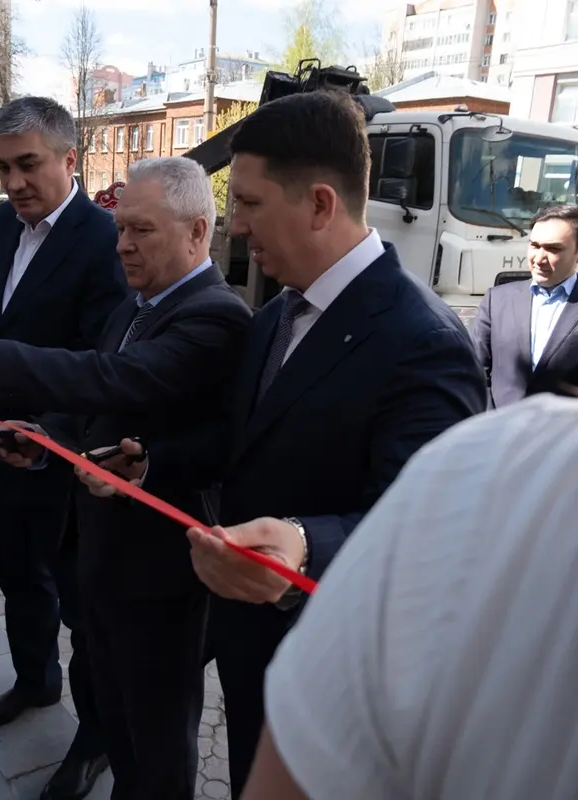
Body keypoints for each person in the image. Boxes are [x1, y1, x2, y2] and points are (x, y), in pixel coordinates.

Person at [78, 89, 487, 797]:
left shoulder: (422, 343)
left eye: (249, 204)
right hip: (252, 646)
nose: (234, 227)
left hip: (336, 662)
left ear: (321, 205)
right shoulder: (274, 316)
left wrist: (303, 543)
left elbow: (431, 535)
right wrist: (154, 462)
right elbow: (248, 444)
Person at [0, 157, 252, 800]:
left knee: (157, 740)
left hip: (162, 577)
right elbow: (93, 404)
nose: (122, 245)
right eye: (120, 228)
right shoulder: (136, 305)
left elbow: (118, 380)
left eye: (141, 231)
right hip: (101, 554)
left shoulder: (217, 316)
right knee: (112, 711)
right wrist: (43, 443)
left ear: (198, 231)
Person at [239, 375, 578, 799]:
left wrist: (310, 543)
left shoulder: (511, 474)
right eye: (534, 247)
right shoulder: (504, 475)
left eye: (553, 248)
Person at [0, 96, 127, 799]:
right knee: (18, 577)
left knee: (80, 605)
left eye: (28, 165)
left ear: (70, 160)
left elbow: (102, 358)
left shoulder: (104, 240)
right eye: (4, 167)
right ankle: (35, 681)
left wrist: (50, 433)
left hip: (66, 458)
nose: (13, 182)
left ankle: (96, 736)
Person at [473, 205, 578, 408]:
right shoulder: (497, 299)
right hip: (493, 431)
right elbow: (475, 371)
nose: (538, 258)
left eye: (553, 249)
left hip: (558, 436)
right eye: (534, 245)